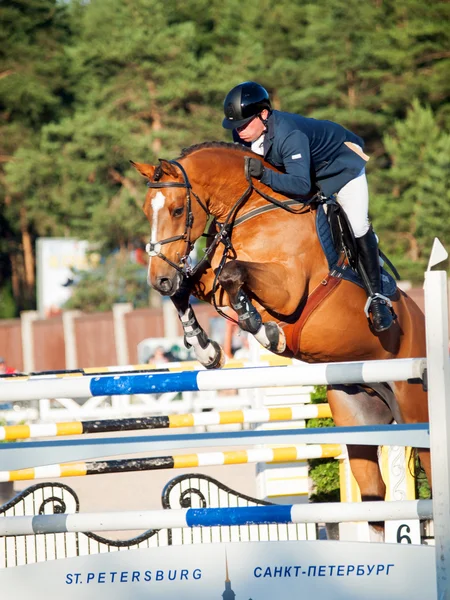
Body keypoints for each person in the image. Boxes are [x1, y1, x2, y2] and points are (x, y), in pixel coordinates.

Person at [222, 81, 394, 333]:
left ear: (264, 114)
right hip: (310, 172)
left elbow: (301, 186)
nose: (240, 131)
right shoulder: (247, 134)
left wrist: (266, 176)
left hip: (341, 165)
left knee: (357, 224)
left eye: (244, 124)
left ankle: (377, 297)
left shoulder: (289, 134)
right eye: (236, 126)